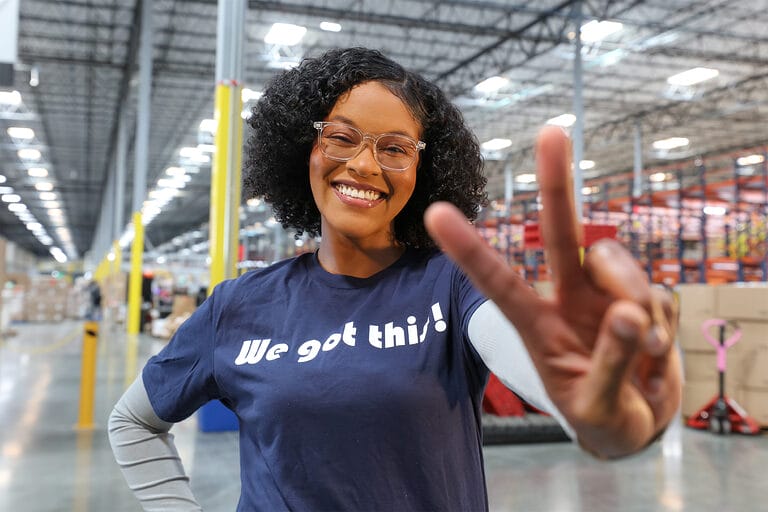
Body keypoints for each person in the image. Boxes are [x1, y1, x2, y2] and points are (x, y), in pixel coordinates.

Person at [109, 47, 681, 511]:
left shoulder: (453, 286)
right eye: (341, 137)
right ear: (304, 148)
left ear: (422, 171)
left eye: (395, 148)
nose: (364, 164)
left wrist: (602, 411)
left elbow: (538, 363)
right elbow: (133, 420)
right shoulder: (238, 305)